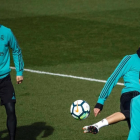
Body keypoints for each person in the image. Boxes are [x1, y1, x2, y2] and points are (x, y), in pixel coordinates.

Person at [83, 48, 140, 135]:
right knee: (131, 112)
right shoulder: (129, 59)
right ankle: (98, 125)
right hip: (131, 95)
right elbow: (113, 78)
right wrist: (100, 101)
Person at [0, 25, 24, 140]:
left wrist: (19, 72)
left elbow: (16, 50)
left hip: (5, 79)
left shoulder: (7, 32)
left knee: (11, 109)